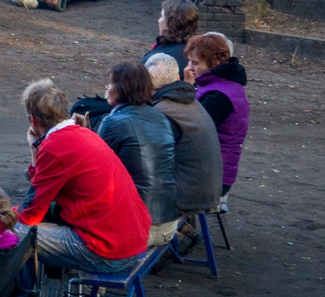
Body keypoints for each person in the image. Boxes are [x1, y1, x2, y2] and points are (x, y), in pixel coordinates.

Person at [15, 79, 151, 274]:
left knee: (12, 232)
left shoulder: (55, 147)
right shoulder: (83, 133)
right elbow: (45, 187)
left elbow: (30, 214)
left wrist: (1, 215)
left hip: (108, 251)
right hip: (131, 239)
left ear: (32, 120)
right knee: (40, 222)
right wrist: (35, 148)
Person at [90, 61, 181, 246]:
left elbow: (93, 174)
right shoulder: (160, 118)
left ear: (123, 88)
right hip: (168, 223)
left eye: (112, 82)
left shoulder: (114, 121)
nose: (107, 87)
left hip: (138, 228)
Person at [146, 54, 223, 217]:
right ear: (177, 77)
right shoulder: (188, 100)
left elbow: (150, 159)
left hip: (189, 196)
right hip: (209, 189)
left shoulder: (161, 112)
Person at [183, 33, 249, 212]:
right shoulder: (226, 86)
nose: (188, 68)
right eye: (189, 62)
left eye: (195, 63)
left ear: (215, 64)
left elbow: (189, 130)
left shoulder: (218, 97)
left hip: (210, 178)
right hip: (216, 172)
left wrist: (186, 89)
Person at [142, 0, 200, 66]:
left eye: (161, 17)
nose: (158, 20)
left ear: (170, 23)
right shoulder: (193, 50)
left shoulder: (164, 57)